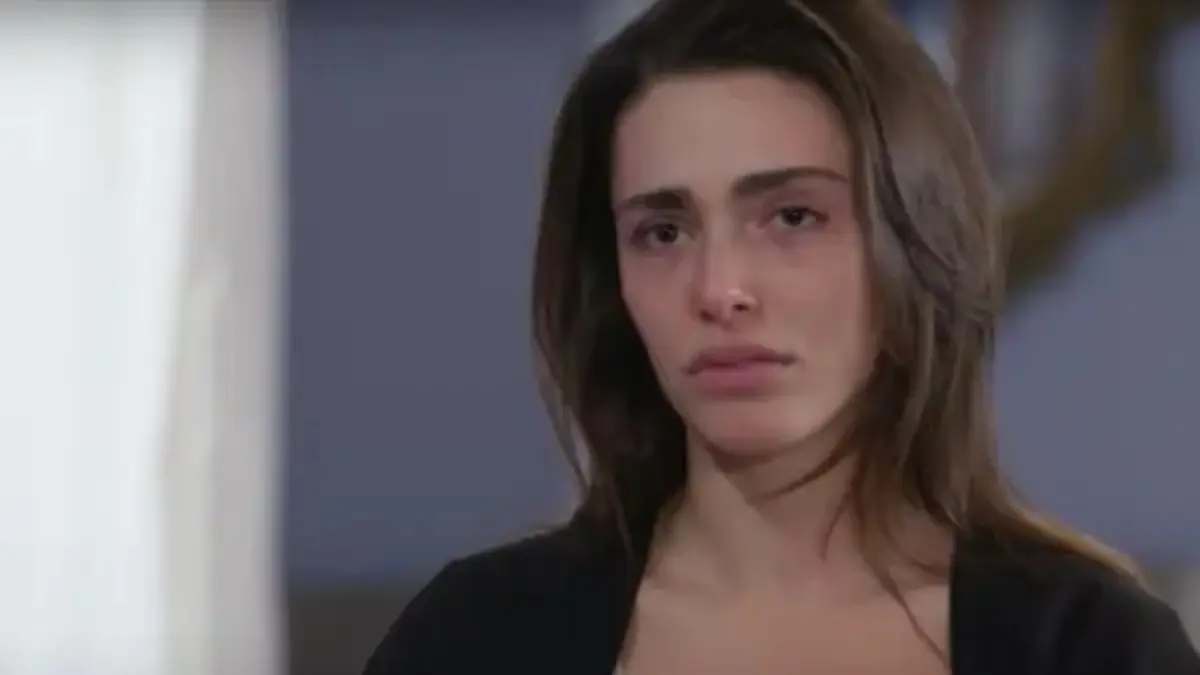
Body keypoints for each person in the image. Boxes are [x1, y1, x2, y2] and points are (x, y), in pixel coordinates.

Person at [363, 0, 1200, 673]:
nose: (720, 288)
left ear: (911, 245)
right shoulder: (477, 639)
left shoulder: (1093, 649)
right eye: (663, 231)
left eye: (793, 216)